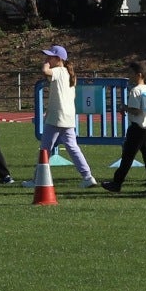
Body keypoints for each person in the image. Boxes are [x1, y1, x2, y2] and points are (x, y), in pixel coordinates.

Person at [38, 46, 99, 188]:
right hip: (68, 116)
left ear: (58, 59)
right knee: (72, 147)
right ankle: (88, 176)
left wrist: (45, 65)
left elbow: (45, 71)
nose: (47, 59)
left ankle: (38, 179)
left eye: (50, 57)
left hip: (57, 117)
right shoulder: (70, 74)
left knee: (45, 148)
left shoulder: (59, 71)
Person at [107, 59, 146, 195]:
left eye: (131, 73)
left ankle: (116, 183)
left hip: (137, 128)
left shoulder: (135, 91)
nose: (129, 75)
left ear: (139, 75)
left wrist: (124, 107)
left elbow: (136, 110)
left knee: (127, 156)